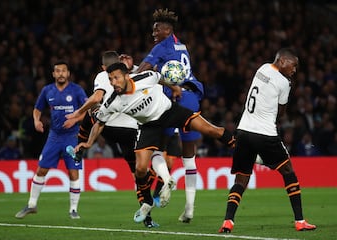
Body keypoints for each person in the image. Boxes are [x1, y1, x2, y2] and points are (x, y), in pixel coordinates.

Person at [74, 62, 235, 224]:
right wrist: (88, 143)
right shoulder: (112, 102)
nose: (113, 83)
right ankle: (147, 201)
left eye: (116, 78)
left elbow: (160, 78)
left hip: (169, 112)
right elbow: (99, 123)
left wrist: (175, 88)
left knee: (211, 130)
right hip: (148, 126)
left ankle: (239, 148)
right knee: (140, 169)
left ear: (126, 76)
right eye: (110, 80)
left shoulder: (146, 77)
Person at [218, 48, 316, 233]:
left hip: (244, 131)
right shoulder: (284, 82)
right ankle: (300, 221)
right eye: (293, 65)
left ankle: (228, 221)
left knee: (241, 180)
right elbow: (281, 112)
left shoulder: (262, 68)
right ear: (282, 61)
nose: (294, 70)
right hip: (265, 134)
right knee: (288, 171)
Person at [65, 51, 161, 228]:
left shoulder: (103, 75)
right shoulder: (130, 75)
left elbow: (97, 97)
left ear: (104, 67)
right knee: (138, 176)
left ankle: (80, 149)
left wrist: (78, 112)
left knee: (91, 111)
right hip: (132, 130)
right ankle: (147, 217)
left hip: (109, 127)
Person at [136, 8, 204, 223]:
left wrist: (124, 77)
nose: (153, 33)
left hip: (171, 100)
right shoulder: (180, 45)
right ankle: (190, 209)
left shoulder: (161, 47)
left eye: (156, 29)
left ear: (166, 29)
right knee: (189, 156)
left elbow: (143, 70)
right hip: (191, 97)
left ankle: (166, 180)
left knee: (157, 146)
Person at [15, 60, 87, 219]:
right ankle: (31, 205)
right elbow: (37, 108)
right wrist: (36, 120)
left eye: (63, 71)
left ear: (68, 74)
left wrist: (75, 120)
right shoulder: (47, 90)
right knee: (41, 170)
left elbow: (87, 108)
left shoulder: (76, 90)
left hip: (72, 137)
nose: (61, 73)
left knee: (73, 172)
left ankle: (73, 210)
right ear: (53, 74)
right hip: (54, 137)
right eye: (58, 71)